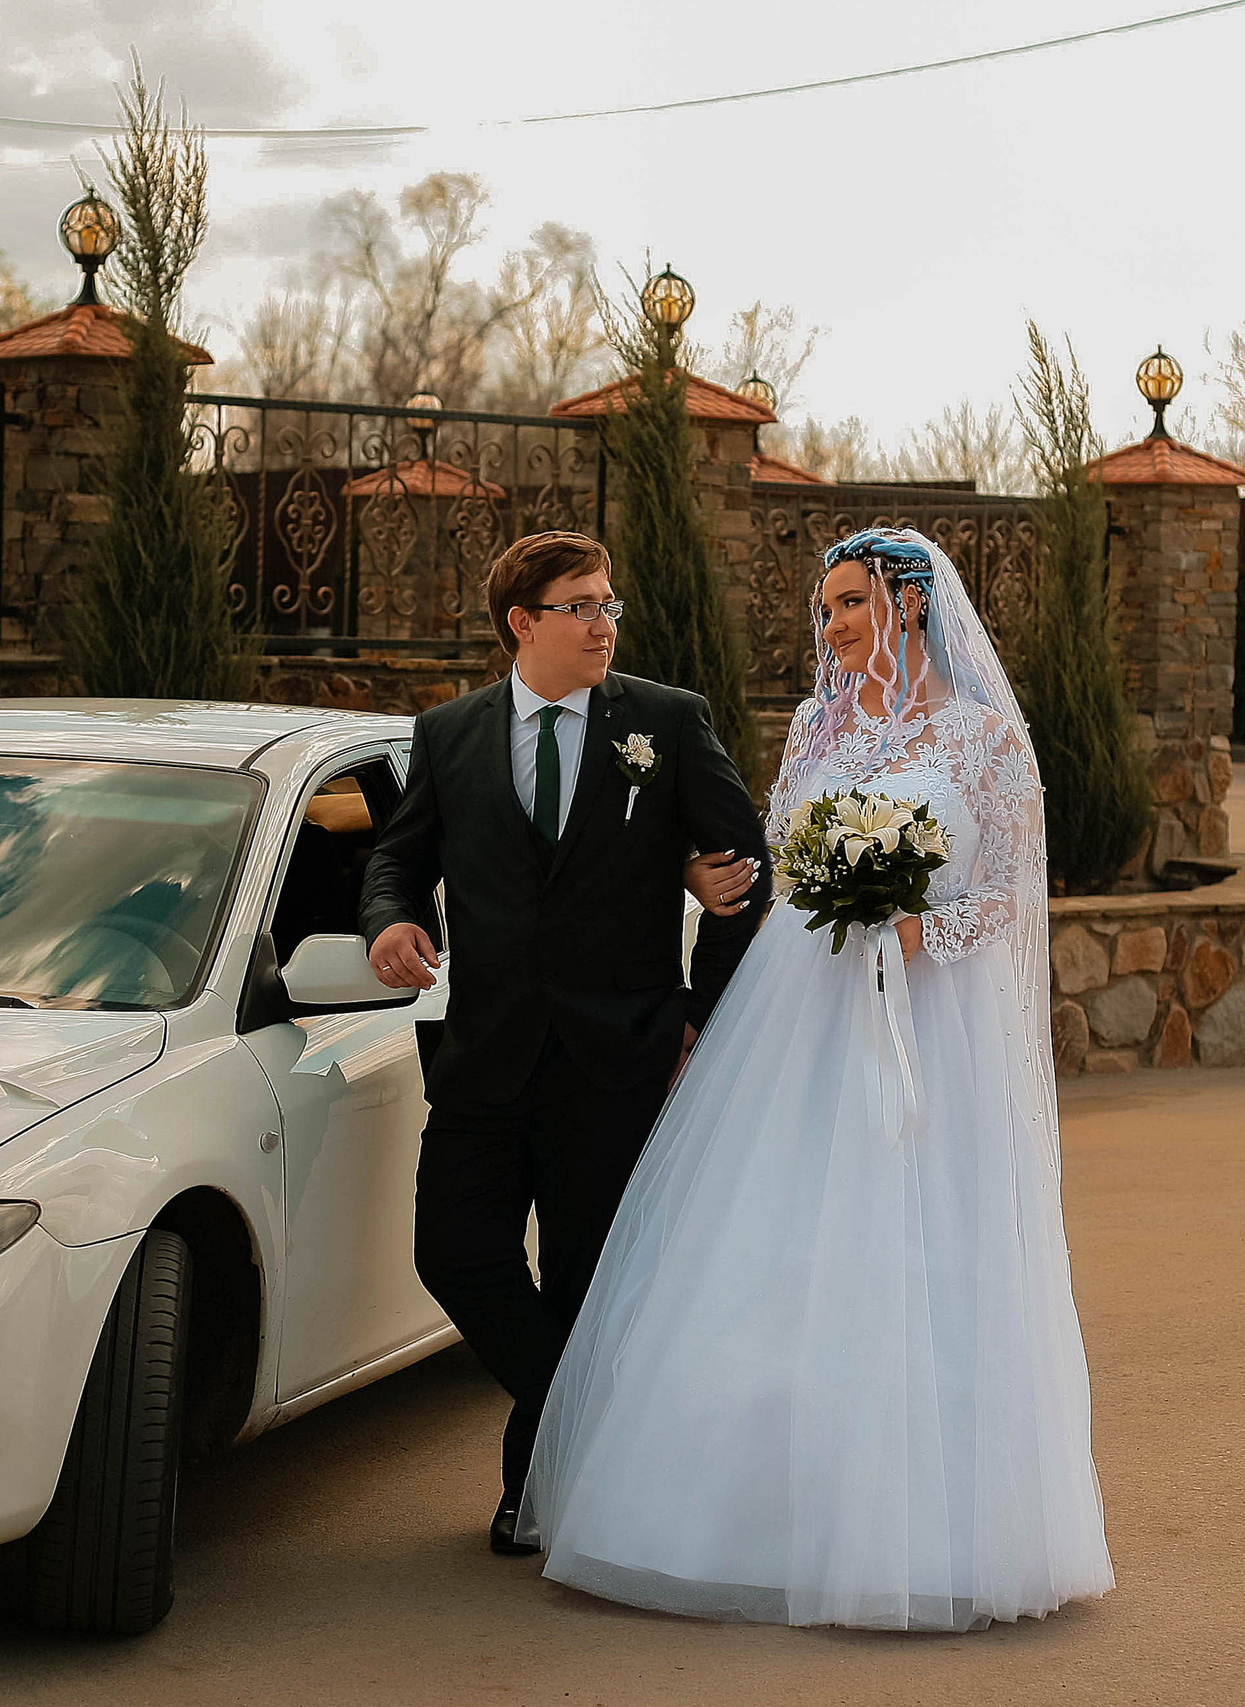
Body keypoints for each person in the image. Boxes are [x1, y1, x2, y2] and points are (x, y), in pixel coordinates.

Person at [514, 526, 1115, 1630]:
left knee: (925, 1247)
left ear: (909, 606)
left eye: (848, 604)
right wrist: (798, 889)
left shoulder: (985, 742)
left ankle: (934, 1531)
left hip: (932, 1025)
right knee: (768, 1243)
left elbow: (1015, 899)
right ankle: (741, 1519)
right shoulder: (814, 724)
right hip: (804, 1010)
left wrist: (915, 926)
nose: (830, 627)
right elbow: (785, 856)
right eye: (824, 608)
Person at [359, 530, 771, 1556]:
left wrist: (696, 1017)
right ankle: (607, 1421)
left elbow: (746, 871)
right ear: (523, 623)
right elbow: (393, 862)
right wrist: (389, 924)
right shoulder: (447, 733)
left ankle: (531, 1497)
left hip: (620, 1058)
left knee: (586, 1282)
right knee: (453, 1252)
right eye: (581, 606)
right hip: (484, 1056)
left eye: (608, 604)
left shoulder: (665, 723)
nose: (603, 623)